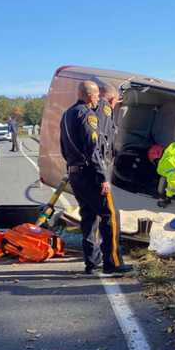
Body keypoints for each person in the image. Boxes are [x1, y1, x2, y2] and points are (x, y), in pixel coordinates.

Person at [60, 80, 132, 276]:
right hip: (91, 174)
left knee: (89, 217)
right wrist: (103, 178)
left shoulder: (67, 114)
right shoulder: (87, 115)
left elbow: (63, 147)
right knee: (110, 215)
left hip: (76, 173)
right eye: (97, 96)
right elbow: (93, 150)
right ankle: (113, 262)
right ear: (92, 95)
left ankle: (92, 262)